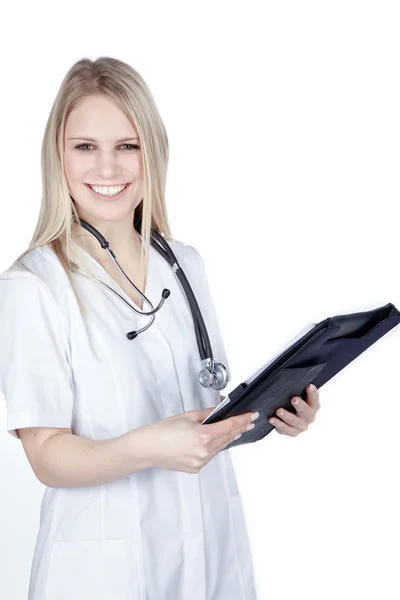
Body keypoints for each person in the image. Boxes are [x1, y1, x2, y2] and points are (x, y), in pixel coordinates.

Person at [0, 57, 320, 600]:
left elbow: (203, 406)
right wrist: (147, 448)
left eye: (128, 145)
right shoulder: (33, 284)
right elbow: (46, 456)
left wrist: (270, 413)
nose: (107, 168)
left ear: (154, 152)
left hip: (210, 544)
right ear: (57, 156)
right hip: (104, 566)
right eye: (85, 147)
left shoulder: (185, 264)